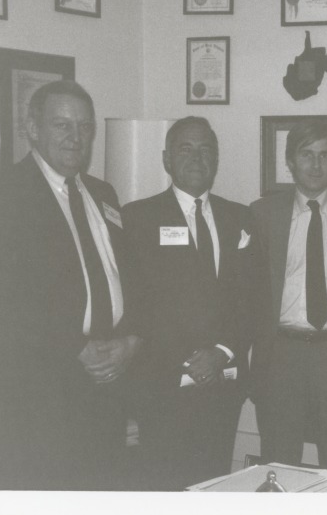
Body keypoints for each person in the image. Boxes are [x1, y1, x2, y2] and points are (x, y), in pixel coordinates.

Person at [0, 80, 141, 490]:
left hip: (106, 389)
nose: (75, 136)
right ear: (32, 129)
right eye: (62, 125)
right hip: (40, 395)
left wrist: (131, 341)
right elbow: (4, 301)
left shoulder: (103, 193)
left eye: (84, 126)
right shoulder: (0, 193)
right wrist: (77, 348)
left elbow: (128, 281)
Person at [122, 117, 265, 490]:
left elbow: (252, 298)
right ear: (167, 159)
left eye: (206, 150)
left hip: (223, 383)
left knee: (215, 486)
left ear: (216, 160)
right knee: (165, 488)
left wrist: (220, 352)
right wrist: (188, 361)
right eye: (186, 149)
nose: (197, 157)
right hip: (163, 388)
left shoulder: (240, 217)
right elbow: (136, 304)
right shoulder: (137, 218)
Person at [250, 121, 327, 485]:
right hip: (281, 356)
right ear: (290, 161)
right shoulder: (262, 214)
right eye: (307, 155)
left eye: (325, 156)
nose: (316, 165)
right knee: (278, 465)